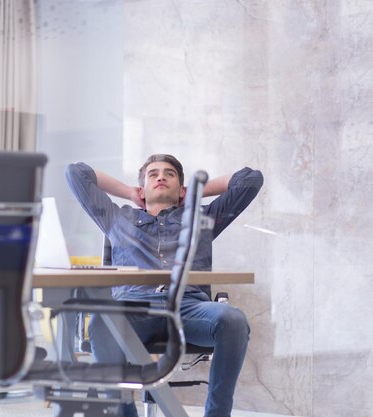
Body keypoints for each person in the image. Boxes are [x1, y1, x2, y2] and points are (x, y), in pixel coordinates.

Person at [65, 154, 263, 417]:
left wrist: (193, 193)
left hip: (188, 308)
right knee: (103, 322)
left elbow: (250, 179)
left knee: (234, 319)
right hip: (135, 309)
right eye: (152, 174)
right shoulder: (117, 218)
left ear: (180, 188)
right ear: (143, 187)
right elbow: (76, 172)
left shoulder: (202, 219)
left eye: (169, 174)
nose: (161, 177)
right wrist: (129, 193)